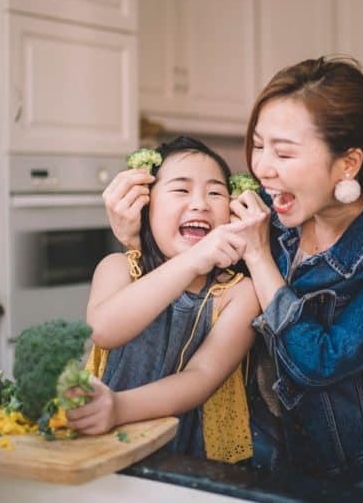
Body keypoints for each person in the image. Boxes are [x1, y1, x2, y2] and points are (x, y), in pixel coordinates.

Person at [103, 57, 363, 491]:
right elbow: (189, 261)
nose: (262, 169)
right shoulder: (268, 202)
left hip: (350, 457)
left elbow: (317, 364)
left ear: (347, 164)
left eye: (284, 152)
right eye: (258, 145)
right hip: (258, 440)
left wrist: (259, 257)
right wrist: (134, 236)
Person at [65, 136, 266, 464]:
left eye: (215, 192)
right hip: (104, 447)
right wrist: (191, 261)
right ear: (147, 206)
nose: (200, 203)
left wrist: (119, 408)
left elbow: (201, 377)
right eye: (181, 190)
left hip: (193, 459)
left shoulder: (240, 293)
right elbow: (103, 330)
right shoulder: (118, 268)